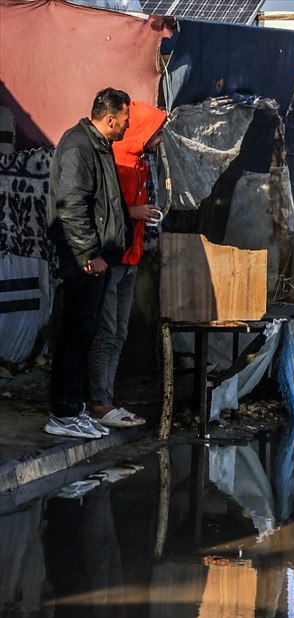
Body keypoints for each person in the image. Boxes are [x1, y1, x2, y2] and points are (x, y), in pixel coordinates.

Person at [44, 88, 132, 439]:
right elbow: (72, 205)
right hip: (82, 260)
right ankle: (63, 413)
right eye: (125, 121)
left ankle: (73, 408)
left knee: (83, 332)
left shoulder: (97, 145)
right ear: (110, 118)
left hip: (94, 258)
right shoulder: (80, 146)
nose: (127, 128)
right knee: (75, 332)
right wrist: (88, 255)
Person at [88, 100, 166, 430]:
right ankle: (99, 402)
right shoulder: (115, 162)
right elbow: (98, 208)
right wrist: (134, 213)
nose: (161, 138)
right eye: (157, 131)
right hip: (112, 258)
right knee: (106, 333)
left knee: (118, 332)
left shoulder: (139, 163)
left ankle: (106, 397)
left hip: (130, 258)